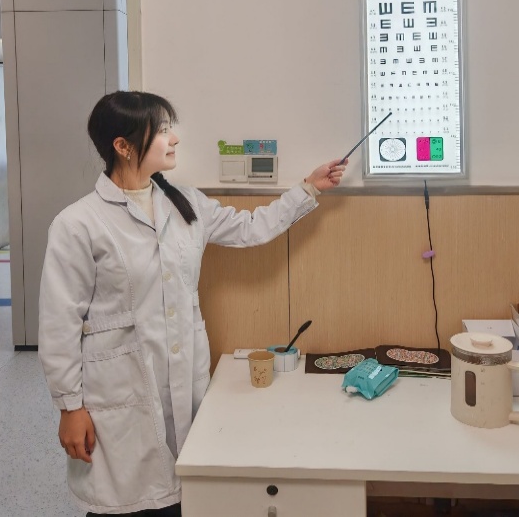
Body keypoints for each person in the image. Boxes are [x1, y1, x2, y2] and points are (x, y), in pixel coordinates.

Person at [38, 90, 347, 516]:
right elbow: (59, 325)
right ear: (123, 146)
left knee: (182, 497)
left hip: (184, 379)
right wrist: (69, 408)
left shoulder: (185, 204)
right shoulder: (78, 224)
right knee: (124, 501)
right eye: (162, 130)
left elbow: (251, 228)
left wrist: (309, 188)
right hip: (117, 392)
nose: (174, 139)